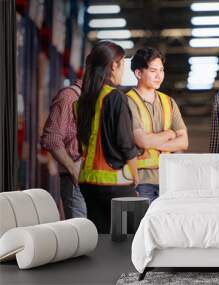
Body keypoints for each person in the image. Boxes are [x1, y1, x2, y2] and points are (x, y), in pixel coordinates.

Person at [76, 41, 141, 233]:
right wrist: (136, 176)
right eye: (122, 65)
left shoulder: (84, 99)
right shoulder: (115, 97)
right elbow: (125, 142)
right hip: (115, 183)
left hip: (88, 182)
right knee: (130, 239)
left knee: (101, 238)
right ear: (114, 65)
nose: (122, 71)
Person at [126, 47, 188, 202]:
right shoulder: (127, 101)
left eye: (161, 70)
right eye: (153, 71)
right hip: (140, 181)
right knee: (142, 225)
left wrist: (153, 142)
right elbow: (142, 141)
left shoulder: (168, 102)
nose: (159, 76)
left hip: (168, 180)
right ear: (138, 73)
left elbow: (184, 142)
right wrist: (169, 134)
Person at [41, 80, 87, 219]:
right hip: (77, 180)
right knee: (82, 236)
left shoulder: (96, 96)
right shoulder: (69, 96)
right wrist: (73, 169)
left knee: (98, 236)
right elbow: (52, 138)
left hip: (95, 181)